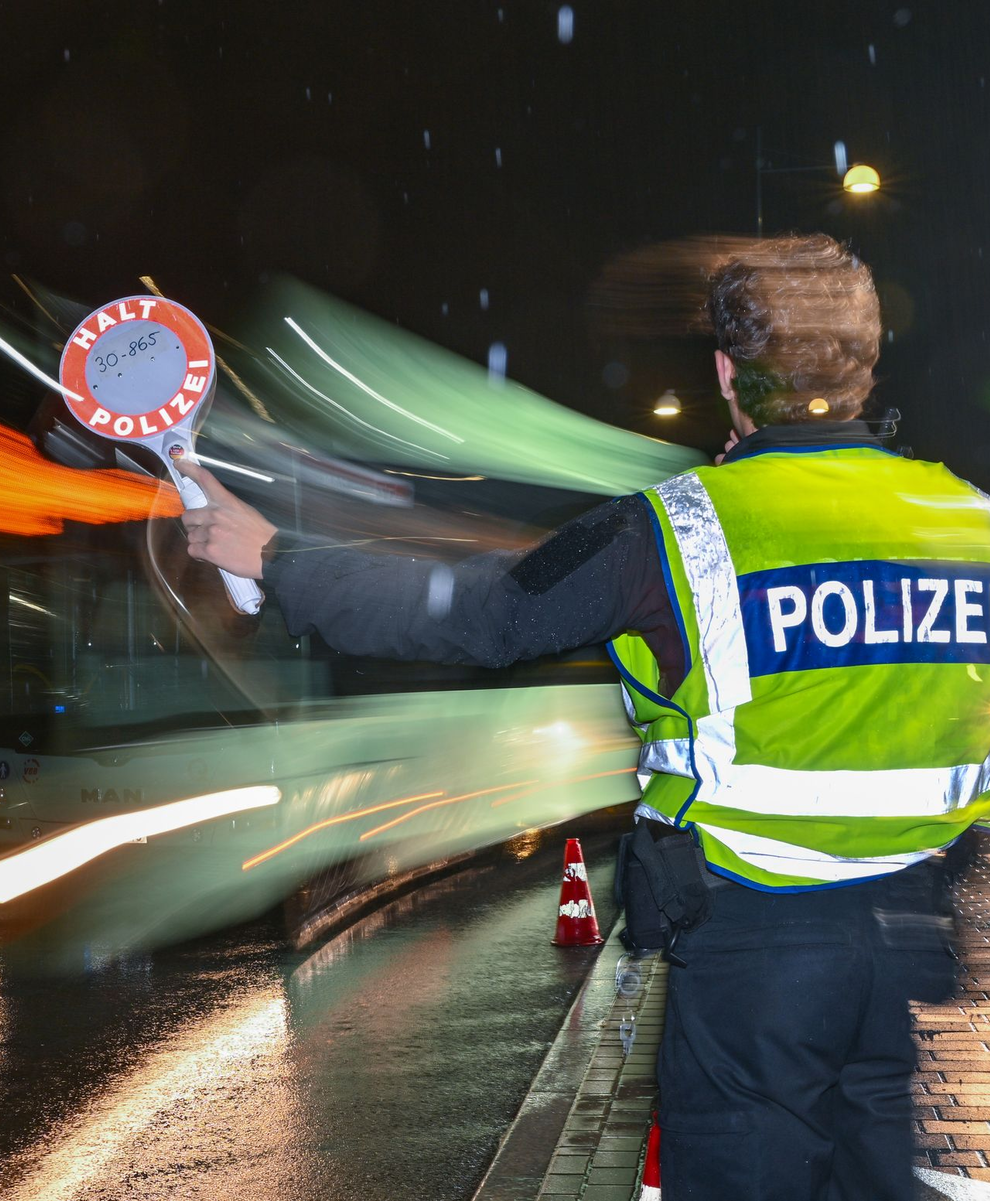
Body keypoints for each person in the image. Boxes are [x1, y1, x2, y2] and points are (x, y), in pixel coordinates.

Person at [179, 234, 990, 1200]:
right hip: (902, 937)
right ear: (867, 362)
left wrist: (275, 557)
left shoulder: (679, 528)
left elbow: (478, 615)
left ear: (728, 374)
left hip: (754, 953)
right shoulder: (965, 519)